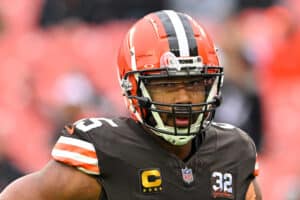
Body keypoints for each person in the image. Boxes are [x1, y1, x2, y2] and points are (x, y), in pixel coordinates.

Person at [0, 10, 262, 199]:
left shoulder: (234, 152)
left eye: (194, 83)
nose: (183, 97)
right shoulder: (105, 151)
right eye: (167, 84)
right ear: (132, 87)